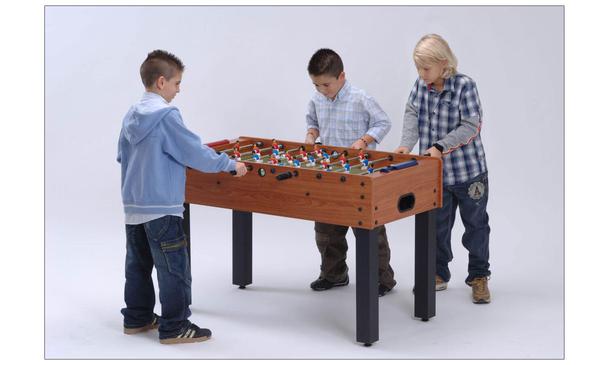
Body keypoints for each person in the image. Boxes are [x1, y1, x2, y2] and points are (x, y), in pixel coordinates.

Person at [117, 50, 248, 344]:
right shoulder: (166, 116)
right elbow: (193, 151)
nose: (179, 90)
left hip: (134, 205)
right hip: (163, 207)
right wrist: (229, 164)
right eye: (177, 83)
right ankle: (175, 326)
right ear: (162, 82)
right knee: (173, 268)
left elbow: (120, 155)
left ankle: (137, 318)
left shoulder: (131, 114)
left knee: (137, 265)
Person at [394, 34, 491, 303]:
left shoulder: (465, 86)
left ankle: (479, 276)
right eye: (418, 68)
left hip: (469, 173)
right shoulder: (420, 85)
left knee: (476, 226)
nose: (421, 73)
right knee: (437, 227)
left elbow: (471, 126)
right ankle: (438, 274)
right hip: (436, 175)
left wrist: (439, 146)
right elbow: (412, 112)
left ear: (443, 63)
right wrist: (406, 144)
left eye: (425, 68)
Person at [305, 48, 395, 296]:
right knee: (326, 230)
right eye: (316, 85)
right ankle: (334, 274)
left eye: (326, 84)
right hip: (329, 172)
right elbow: (312, 121)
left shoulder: (360, 98)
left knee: (370, 232)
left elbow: (383, 122)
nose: (322, 90)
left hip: (361, 174)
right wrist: (311, 134)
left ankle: (383, 280)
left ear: (341, 76)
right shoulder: (317, 99)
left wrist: (364, 141)